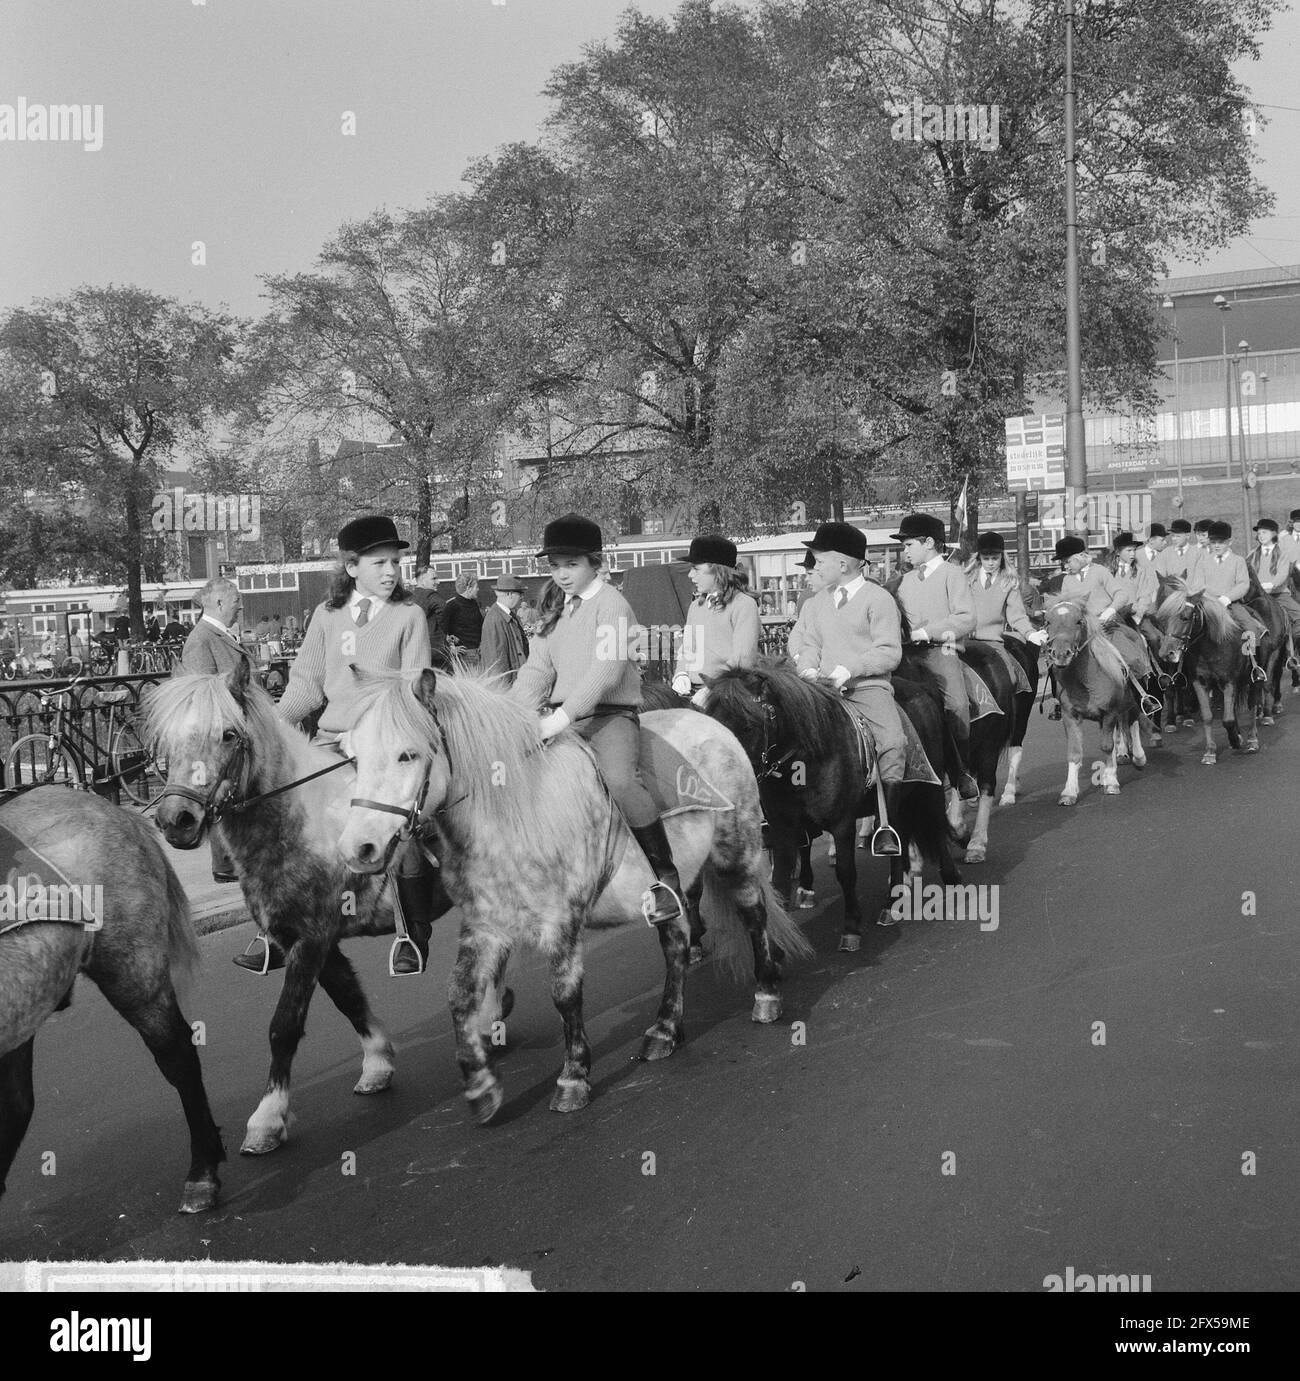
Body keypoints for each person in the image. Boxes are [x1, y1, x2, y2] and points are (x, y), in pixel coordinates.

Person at [235, 515, 442, 977]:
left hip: (384, 744)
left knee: (401, 822)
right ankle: (274, 929)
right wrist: (267, 727)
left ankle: (411, 932)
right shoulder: (326, 616)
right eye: (380, 563)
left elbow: (412, 690)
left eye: (396, 562)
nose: (392, 572)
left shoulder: (409, 616)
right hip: (330, 744)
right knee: (284, 815)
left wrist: (366, 733)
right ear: (351, 567)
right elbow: (307, 684)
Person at [510, 513, 685, 925]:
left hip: (609, 717)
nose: (562, 574)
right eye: (555, 566)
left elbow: (605, 673)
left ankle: (666, 877)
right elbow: (537, 670)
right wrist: (514, 717)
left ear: (596, 563)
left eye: (571, 564)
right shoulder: (554, 608)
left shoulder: (613, 605)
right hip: (562, 719)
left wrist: (564, 716)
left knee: (622, 782)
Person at [790, 521, 906, 855]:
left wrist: (850, 670)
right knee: (790, 744)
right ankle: (799, 817)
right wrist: (807, 669)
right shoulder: (814, 603)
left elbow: (888, 651)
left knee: (893, 743)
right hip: (822, 690)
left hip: (867, 687)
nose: (815, 566)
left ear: (842, 564)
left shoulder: (878, 599)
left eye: (820, 560)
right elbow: (808, 643)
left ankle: (887, 823)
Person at [890, 512, 980, 799]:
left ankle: (961, 771)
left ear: (929, 542)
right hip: (905, 652)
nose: (904, 550)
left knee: (956, 703)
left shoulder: (952, 574)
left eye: (908, 544)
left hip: (941, 649)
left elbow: (966, 618)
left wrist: (927, 632)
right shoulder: (901, 581)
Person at [182, 578, 261, 887]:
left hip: (238, 733)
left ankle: (236, 858)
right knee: (220, 794)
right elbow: (203, 695)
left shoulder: (218, 635)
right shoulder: (201, 640)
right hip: (222, 739)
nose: (240, 605)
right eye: (235, 600)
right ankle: (225, 863)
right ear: (218, 604)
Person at [670, 535, 761, 706]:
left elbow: (742, 660)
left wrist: (713, 690)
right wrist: (681, 673)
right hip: (693, 693)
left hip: (728, 695)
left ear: (718, 570)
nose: (690, 575)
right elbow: (687, 650)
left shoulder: (744, 604)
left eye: (696, 568)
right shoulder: (696, 606)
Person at [968, 531, 1047, 686]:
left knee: (1009, 679)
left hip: (993, 640)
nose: (991, 563)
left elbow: (1016, 615)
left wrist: (1031, 634)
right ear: (979, 558)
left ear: (1002, 558)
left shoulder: (1009, 583)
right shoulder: (967, 579)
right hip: (965, 639)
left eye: (995, 558)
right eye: (986, 558)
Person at [1186, 520, 1266, 667]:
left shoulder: (1238, 561)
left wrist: (1227, 598)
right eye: (1213, 542)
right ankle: (1186, 669)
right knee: (1186, 627)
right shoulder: (1203, 562)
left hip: (1231, 604)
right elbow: (1198, 585)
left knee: (1251, 627)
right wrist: (1209, 599)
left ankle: (1253, 665)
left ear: (1230, 542)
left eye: (1221, 542)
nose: (1216, 545)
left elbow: (1243, 584)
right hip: (1208, 605)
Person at [1248, 518, 1300, 649]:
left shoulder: (1283, 553)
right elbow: (1248, 573)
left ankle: (1291, 647)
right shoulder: (1252, 554)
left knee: (1299, 615)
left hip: (1279, 594)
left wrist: (1271, 584)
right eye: (1259, 533)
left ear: (1274, 534)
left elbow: (1283, 573)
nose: (1261, 536)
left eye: (1264, 532)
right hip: (1257, 595)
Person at [1110, 532, 1161, 653]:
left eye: (1134, 550)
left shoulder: (1140, 571)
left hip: (1136, 614)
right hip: (1115, 615)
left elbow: (1145, 595)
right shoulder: (1107, 572)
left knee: (1154, 638)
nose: (1133, 554)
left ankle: (1157, 669)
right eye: (1129, 551)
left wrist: (1138, 613)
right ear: (1118, 552)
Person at [479, 574, 529, 684]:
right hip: (507, 690)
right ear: (509, 594)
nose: (522, 597)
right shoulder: (495, 619)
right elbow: (496, 664)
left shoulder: (505, 615)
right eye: (520, 593)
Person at [408, 565, 450, 668]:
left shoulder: (410, 598)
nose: (438, 582)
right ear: (422, 580)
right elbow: (445, 612)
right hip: (436, 653)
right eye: (434, 578)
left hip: (416, 652)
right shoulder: (431, 595)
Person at [443, 572, 484, 666]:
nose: (478, 589)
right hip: (464, 656)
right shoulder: (451, 605)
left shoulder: (474, 604)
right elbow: (442, 631)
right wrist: (451, 648)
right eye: (476, 587)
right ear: (468, 588)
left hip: (478, 652)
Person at [1154, 518, 1205, 583]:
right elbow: (1160, 577)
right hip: (1171, 591)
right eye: (1173, 536)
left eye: (1178, 536)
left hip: (1192, 591)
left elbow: (1200, 578)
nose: (1174, 539)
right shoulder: (1166, 553)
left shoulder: (1198, 553)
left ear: (1188, 536)